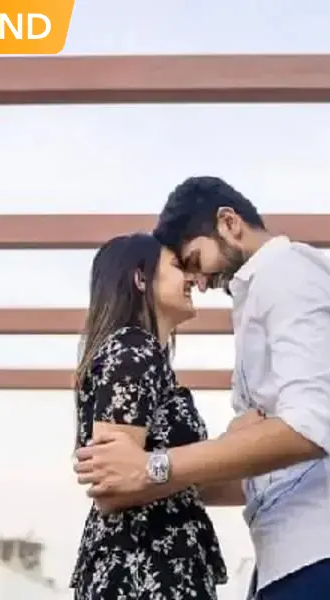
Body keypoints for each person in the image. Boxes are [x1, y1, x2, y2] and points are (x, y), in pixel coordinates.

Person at [74, 177, 330, 599]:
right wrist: (214, 451)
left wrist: (154, 466)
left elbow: (307, 426)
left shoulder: (288, 273)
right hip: (288, 549)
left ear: (229, 223)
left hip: (327, 539)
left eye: (192, 260)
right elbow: (122, 478)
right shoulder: (255, 295)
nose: (198, 281)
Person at [70, 232, 234, 600]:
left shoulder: (144, 357)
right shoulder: (132, 350)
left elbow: (181, 477)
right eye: (178, 267)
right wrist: (224, 449)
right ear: (141, 279)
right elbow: (112, 486)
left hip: (153, 566)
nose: (192, 278)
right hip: (142, 569)